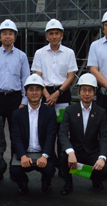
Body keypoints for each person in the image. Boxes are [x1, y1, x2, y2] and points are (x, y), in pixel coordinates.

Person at [32, 18, 78, 180]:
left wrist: (57, 93)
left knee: (62, 131)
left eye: (57, 33)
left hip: (62, 94)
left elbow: (71, 76)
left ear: (62, 35)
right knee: (46, 131)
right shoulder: (39, 53)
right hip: (44, 95)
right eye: (51, 33)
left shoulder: (69, 53)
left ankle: (63, 168)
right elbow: (37, 76)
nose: (54, 36)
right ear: (46, 36)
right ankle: (50, 164)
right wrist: (47, 96)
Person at [58, 73, 107, 195]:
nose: (87, 94)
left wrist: (102, 158)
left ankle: (95, 179)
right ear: (78, 91)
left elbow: (104, 137)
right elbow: (63, 134)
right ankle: (68, 183)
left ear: (94, 92)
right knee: (63, 156)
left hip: (92, 151)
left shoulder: (101, 112)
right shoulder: (69, 110)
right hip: (75, 150)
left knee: (104, 168)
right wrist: (70, 152)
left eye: (90, 90)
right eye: (84, 90)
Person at [9, 74, 58, 194]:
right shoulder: (17, 114)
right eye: (31, 89)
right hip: (26, 153)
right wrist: (23, 156)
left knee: (50, 169)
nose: (34, 93)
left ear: (42, 92)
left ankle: (46, 183)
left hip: (42, 154)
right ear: (25, 92)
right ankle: (23, 183)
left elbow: (51, 136)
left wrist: (45, 156)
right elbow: (16, 138)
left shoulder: (50, 112)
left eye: (37, 89)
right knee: (14, 170)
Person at [0, 19, 30, 130]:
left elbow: (26, 81)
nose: (7, 36)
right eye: (4, 33)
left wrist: (24, 102)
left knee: (17, 132)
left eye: (10, 33)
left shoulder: (22, 56)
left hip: (15, 99)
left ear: (15, 36)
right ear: (0, 36)